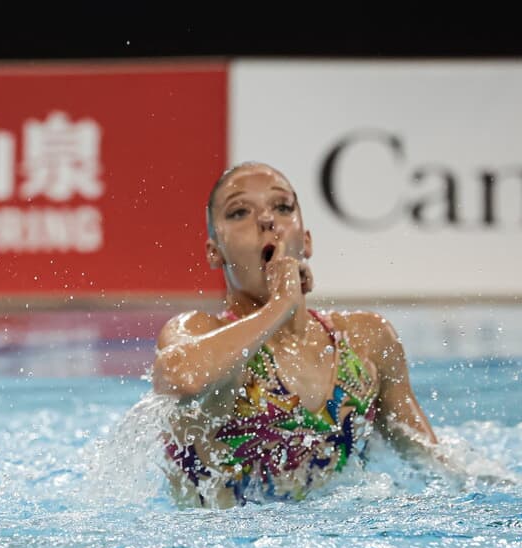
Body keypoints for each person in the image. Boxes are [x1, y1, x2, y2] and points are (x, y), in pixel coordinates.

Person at [151, 161, 453, 508]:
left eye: (282, 207)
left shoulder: (366, 339)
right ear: (214, 251)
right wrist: (280, 304)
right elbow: (184, 378)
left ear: (306, 241)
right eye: (239, 212)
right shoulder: (198, 332)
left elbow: (433, 462)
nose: (267, 220)